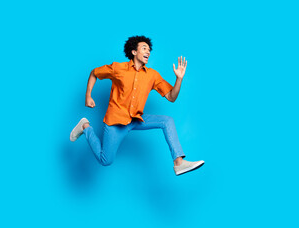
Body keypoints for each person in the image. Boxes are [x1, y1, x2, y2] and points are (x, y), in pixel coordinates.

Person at [70, 35, 204, 176]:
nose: (148, 52)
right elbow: (94, 73)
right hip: (115, 122)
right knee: (106, 160)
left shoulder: (152, 75)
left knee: (167, 121)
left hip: (135, 119)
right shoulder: (118, 68)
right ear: (134, 52)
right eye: (144, 48)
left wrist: (179, 79)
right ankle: (85, 127)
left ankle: (179, 163)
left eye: (149, 49)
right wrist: (88, 96)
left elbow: (171, 97)